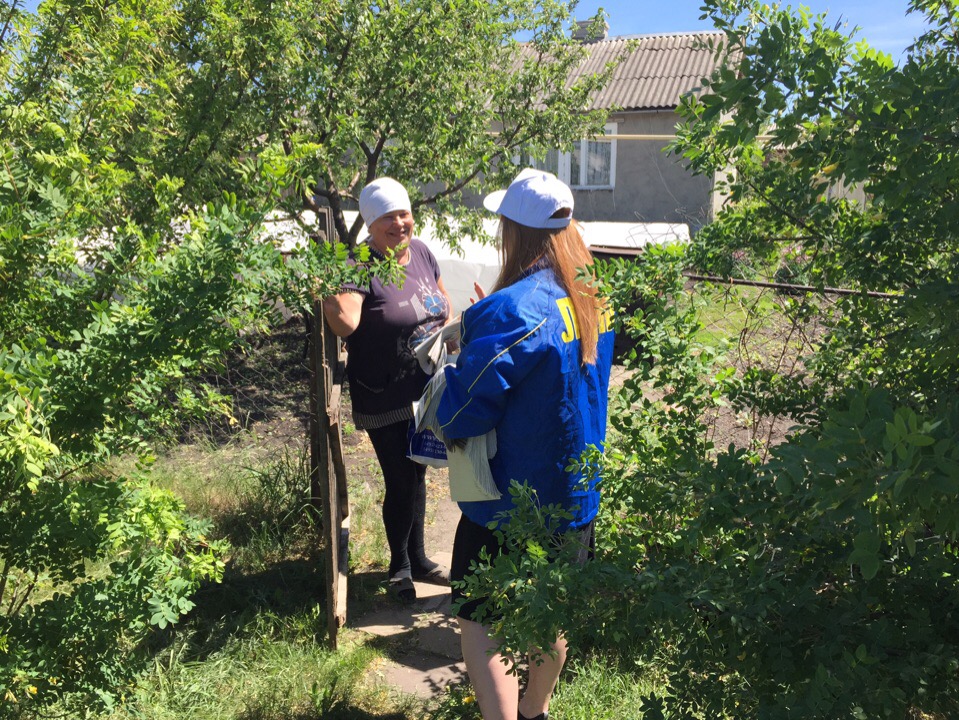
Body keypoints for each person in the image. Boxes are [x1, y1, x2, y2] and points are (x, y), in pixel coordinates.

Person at [436, 168, 615, 720]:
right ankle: (536, 712)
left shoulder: (511, 309)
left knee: (479, 615)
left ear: (513, 232)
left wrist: (442, 391)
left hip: (512, 501)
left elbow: (463, 412)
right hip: (576, 493)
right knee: (550, 611)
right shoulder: (595, 297)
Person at [323, 177, 452, 603]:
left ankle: (418, 557)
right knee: (400, 479)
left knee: (418, 473)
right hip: (384, 392)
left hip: (425, 387)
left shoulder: (421, 252)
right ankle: (399, 568)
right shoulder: (361, 264)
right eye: (387, 218)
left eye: (403, 213)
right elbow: (347, 322)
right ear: (371, 224)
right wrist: (322, 291)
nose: (399, 223)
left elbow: (441, 300)